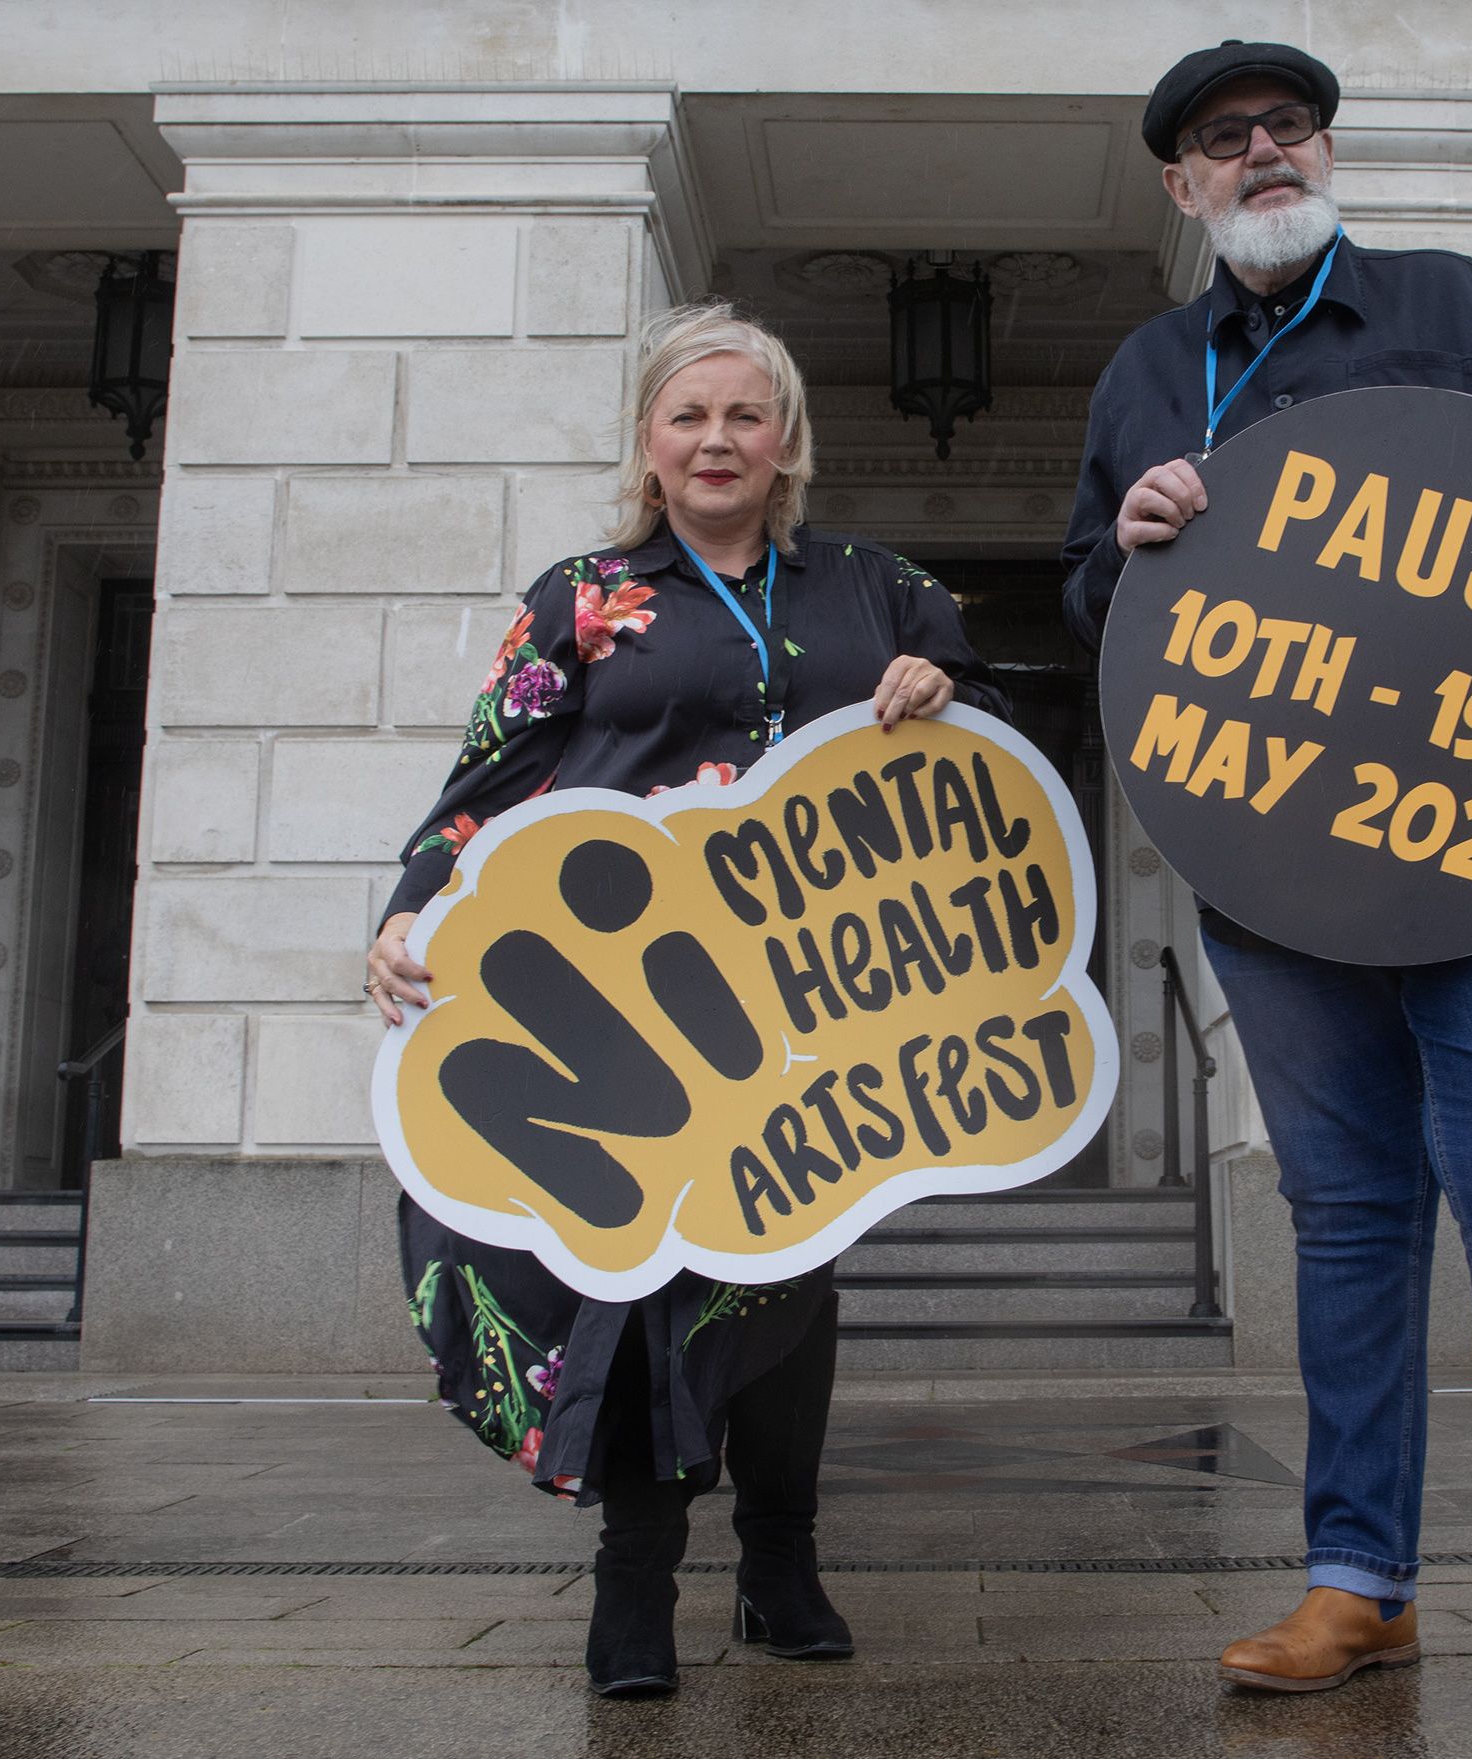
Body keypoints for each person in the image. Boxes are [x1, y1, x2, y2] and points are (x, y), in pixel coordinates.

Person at [1061, 42, 1472, 1734]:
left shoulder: (1456, 301)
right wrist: (1123, 542)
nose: (1264, 153)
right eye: (1226, 140)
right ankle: (1361, 1586)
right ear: (1181, 185)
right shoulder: (1146, 370)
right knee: (1348, 1226)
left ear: (1325, 151)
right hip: (1277, 876)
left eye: (1288, 129)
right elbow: (1095, 608)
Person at [365, 302, 1008, 1698]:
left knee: (785, 1271)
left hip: (820, 999)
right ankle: (636, 1586)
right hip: (635, 995)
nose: (717, 440)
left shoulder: (882, 588)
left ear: (789, 444)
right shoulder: (580, 597)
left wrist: (944, 683)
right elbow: (485, 783)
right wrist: (408, 911)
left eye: (745, 416)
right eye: (688, 417)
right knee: (641, 1277)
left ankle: (780, 1565)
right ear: (648, 447)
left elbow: (990, 752)